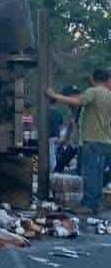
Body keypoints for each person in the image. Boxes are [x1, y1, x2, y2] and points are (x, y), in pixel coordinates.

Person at [47, 70, 111, 213]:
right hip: (105, 141)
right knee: (98, 174)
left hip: (92, 139)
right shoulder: (109, 95)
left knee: (89, 174)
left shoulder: (93, 91)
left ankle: (87, 205)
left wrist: (54, 95)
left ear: (93, 79)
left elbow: (78, 101)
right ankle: (96, 203)